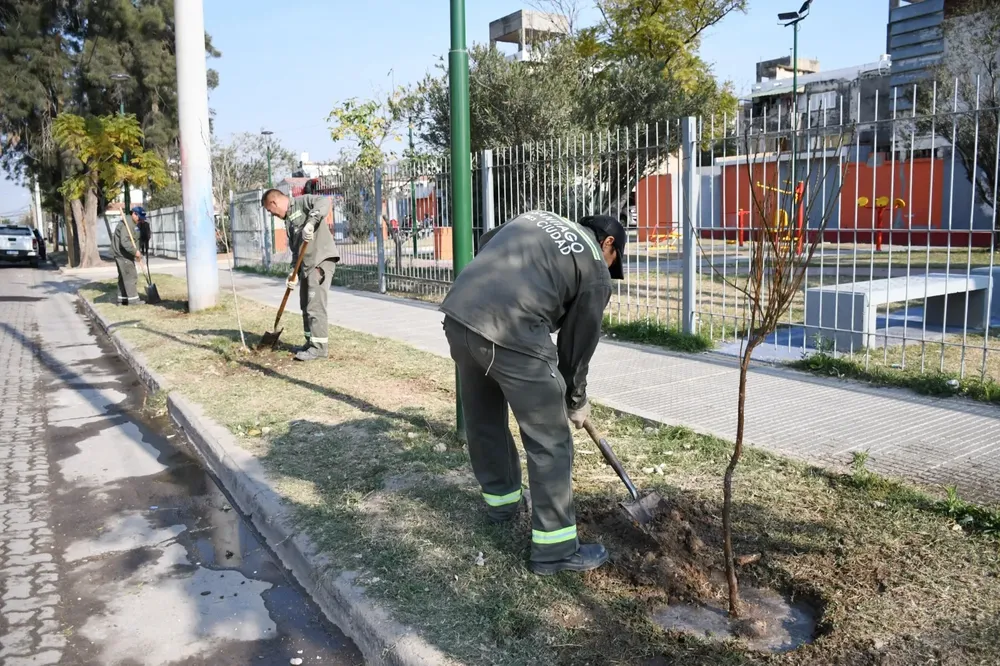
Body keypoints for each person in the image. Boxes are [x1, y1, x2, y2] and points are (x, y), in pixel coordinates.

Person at [440, 211, 626, 576]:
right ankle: (555, 551)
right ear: (608, 244)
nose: (610, 269)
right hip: (511, 331)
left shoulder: (536, 218)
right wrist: (574, 399)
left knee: (484, 421)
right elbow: (576, 348)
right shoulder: (594, 268)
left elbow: (488, 242)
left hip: (460, 316)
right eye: (614, 260)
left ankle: (503, 505)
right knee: (550, 438)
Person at [260, 189, 340, 361]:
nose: (272, 214)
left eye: (270, 210)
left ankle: (319, 348)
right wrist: (292, 274)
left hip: (320, 261)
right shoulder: (289, 223)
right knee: (305, 305)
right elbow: (296, 251)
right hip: (305, 265)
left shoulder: (302, 202)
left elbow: (324, 202)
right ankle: (310, 342)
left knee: (315, 305)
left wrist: (311, 222)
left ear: (274, 203)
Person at [111, 211, 142, 306]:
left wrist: (136, 253)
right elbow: (125, 242)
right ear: (134, 214)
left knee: (123, 277)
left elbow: (133, 239)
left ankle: (122, 299)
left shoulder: (131, 223)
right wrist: (135, 251)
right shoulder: (126, 224)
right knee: (130, 276)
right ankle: (133, 301)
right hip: (123, 254)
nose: (140, 220)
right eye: (139, 217)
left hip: (122, 254)